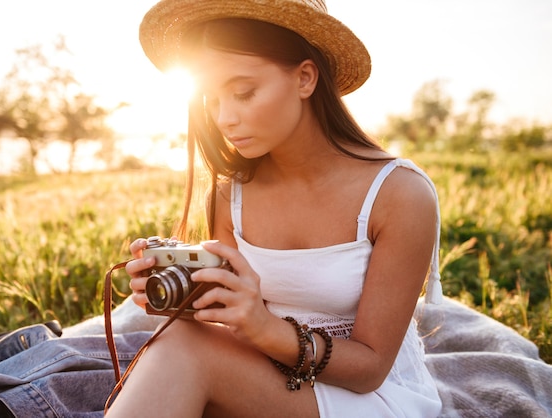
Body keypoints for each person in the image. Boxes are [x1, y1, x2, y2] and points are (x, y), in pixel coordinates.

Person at [107, 0, 443, 417]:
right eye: (211, 98)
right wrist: (183, 297)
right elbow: (227, 326)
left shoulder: (399, 194)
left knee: (181, 353)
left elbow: (371, 368)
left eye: (243, 92)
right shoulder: (231, 196)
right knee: (176, 341)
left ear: (305, 78)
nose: (225, 118)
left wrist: (265, 330)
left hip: (371, 394)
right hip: (271, 376)